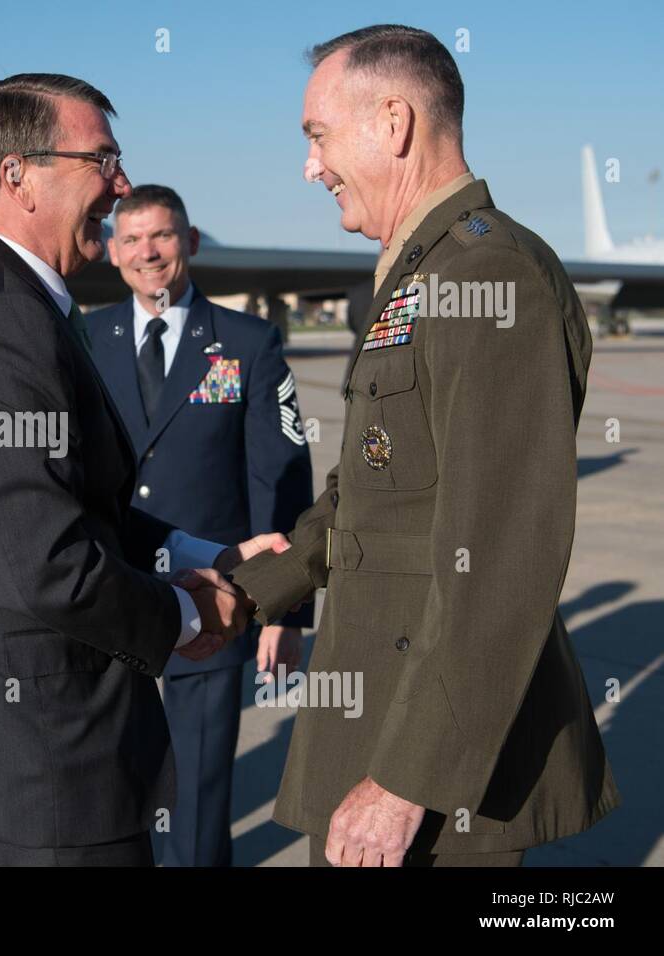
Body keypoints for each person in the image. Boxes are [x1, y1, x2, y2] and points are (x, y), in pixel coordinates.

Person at [229, 25, 619, 866]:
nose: (312, 165)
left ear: (394, 122)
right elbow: (383, 487)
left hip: (437, 766)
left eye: (317, 136)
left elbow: (505, 550)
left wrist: (407, 781)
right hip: (383, 709)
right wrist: (266, 581)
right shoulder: (423, 274)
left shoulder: (490, 279)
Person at [0, 73, 285, 867]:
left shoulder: (23, 304)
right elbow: (45, 562)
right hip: (39, 771)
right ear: (18, 176)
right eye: (102, 158)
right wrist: (186, 617)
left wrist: (205, 556)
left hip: (44, 762)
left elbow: (76, 502)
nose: (123, 184)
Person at [90, 184, 315, 866]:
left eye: (161, 236)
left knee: (197, 789)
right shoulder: (86, 337)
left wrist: (283, 607)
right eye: (130, 239)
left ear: (189, 242)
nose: (147, 252)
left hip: (216, 597)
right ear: (111, 253)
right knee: (108, 785)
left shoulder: (246, 343)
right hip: (112, 591)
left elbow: (281, 476)